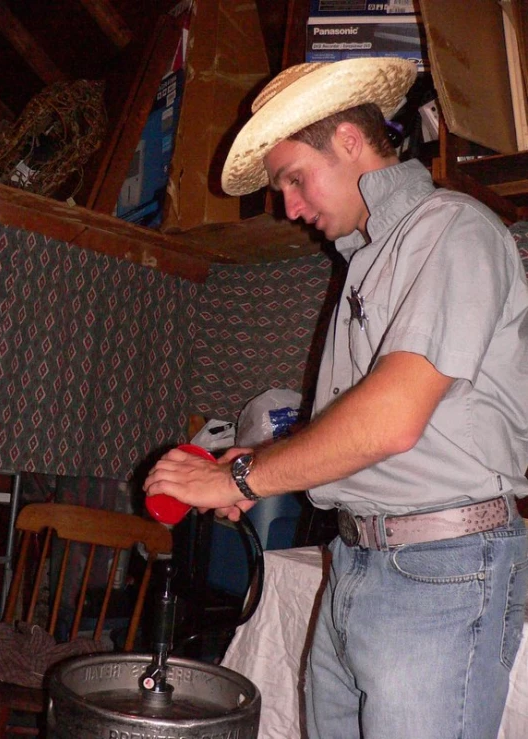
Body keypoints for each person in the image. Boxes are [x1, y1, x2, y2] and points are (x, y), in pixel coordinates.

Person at [144, 57, 528, 739]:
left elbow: (389, 420)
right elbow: (355, 433)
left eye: (295, 178)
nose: (290, 207)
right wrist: (262, 462)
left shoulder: (449, 229)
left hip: (441, 572)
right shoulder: (367, 262)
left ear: (350, 141)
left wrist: (236, 473)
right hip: (355, 561)